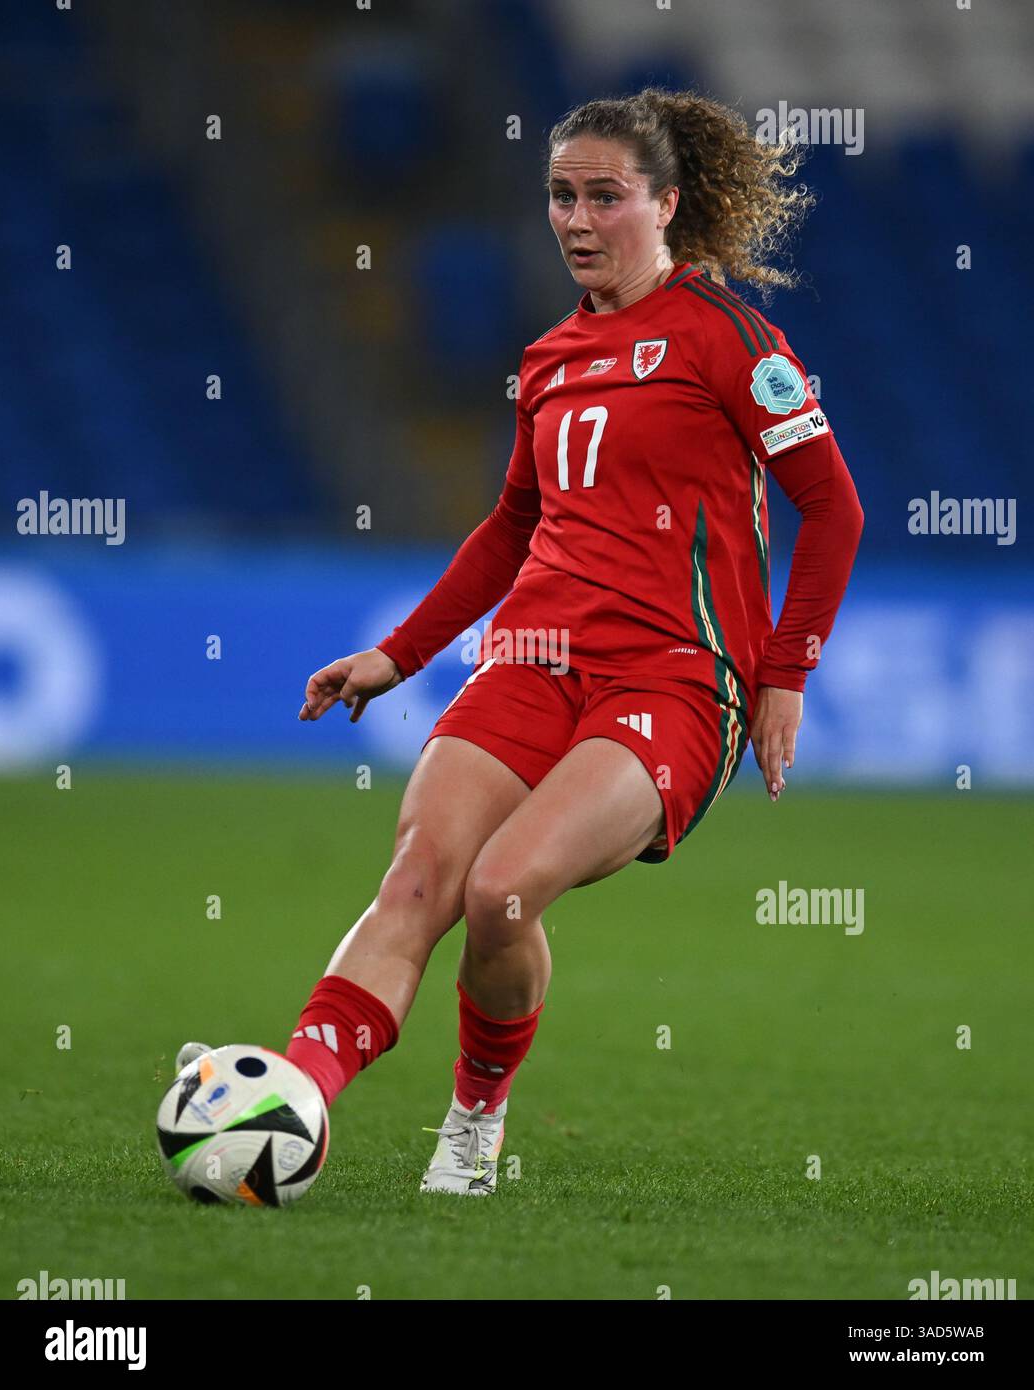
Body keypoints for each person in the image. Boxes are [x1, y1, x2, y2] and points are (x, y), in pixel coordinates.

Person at [277, 88, 863, 1195]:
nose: (578, 219)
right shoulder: (548, 358)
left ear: (666, 203)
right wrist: (396, 655)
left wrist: (784, 675)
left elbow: (832, 507)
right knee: (418, 880)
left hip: (675, 683)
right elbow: (510, 526)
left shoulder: (735, 340)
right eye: (561, 196)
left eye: (605, 196)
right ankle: (289, 1102)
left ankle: (473, 1120)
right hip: (531, 661)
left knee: (502, 891)